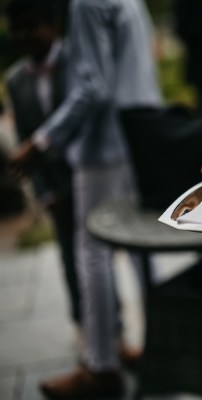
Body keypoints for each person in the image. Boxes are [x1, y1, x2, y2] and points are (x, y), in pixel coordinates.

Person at [9, 0, 162, 398]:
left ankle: (101, 366)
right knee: (147, 253)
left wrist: (40, 143)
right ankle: (163, 350)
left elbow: (92, 87)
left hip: (104, 147)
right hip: (142, 137)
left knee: (91, 253)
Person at [4, 0, 81, 328]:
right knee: (70, 258)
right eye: (16, 29)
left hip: (89, 175)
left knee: (99, 259)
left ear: (52, 25)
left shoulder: (78, 61)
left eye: (30, 26)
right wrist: (45, 193)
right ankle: (83, 325)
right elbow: (25, 141)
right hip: (56, 188)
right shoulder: (15, 80)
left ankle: (115, 328)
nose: (23, 36)